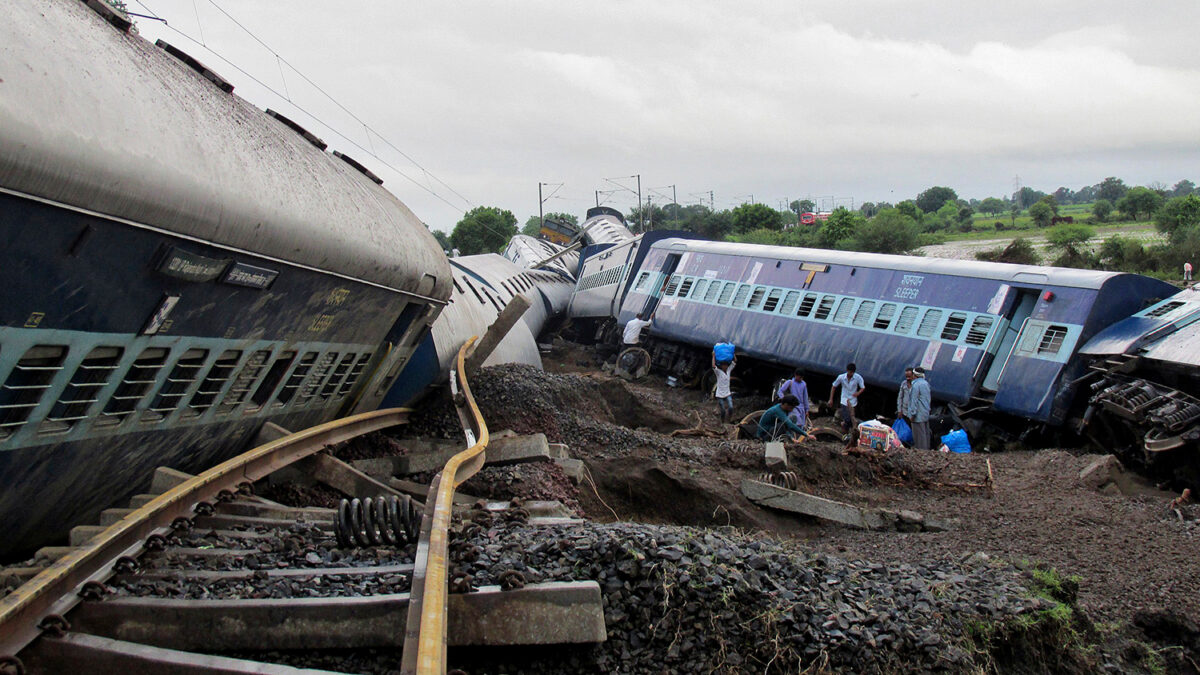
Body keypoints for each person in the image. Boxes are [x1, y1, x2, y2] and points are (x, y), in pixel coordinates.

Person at [828, 362, 866, 431]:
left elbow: (862, 387)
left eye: (852, 372)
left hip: (853, 401)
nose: (850, 374)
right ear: (847, 370)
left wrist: (858, 393)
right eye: (849, 372)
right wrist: (831, 399)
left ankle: (846, 429)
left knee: (852, 417)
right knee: (847, 418)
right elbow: (834, 386)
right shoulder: (841, 377)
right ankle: (844, 428)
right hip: (844, 400)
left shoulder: (858, 378)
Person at [906, 367, 932, 449]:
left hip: (918, 415)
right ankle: (926, 451)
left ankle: (921, 452)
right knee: (925, 434)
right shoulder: (926, 384)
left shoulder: (916, 385)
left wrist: (912, 414)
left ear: (914, 375)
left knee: (918, 436)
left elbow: (914, 401)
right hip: (925, 413)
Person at [712, 353, 736, 423]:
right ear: (721, 366)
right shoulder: (718, 372)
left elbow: (735, 361)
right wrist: (713, 356)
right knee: (722, 410)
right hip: (719, 394)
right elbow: (713, 366)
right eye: (723, 365)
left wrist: (733, 354)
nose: (725, 367)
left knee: (731, 407)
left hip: (727, 393)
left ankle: (729, 419)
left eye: (726, 365)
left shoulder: (728, 371)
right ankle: (722, 421)